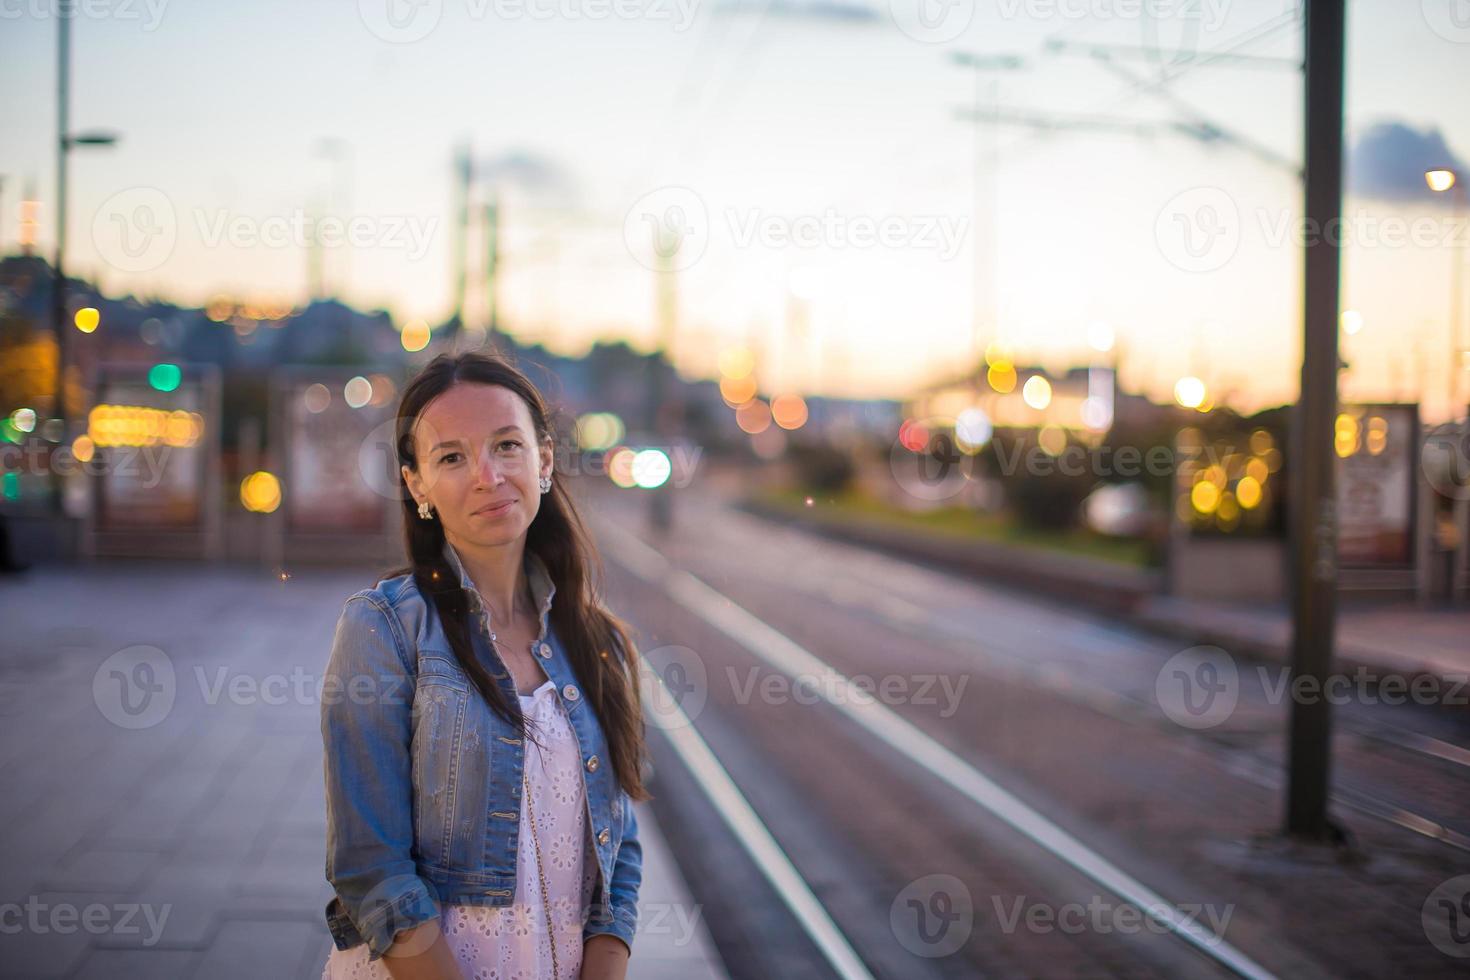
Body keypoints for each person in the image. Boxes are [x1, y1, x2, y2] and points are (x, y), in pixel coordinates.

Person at [320, 351, 647, 980]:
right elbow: (371, 865)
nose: (488, 476)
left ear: (544, 460)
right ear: (416, 484)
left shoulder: (594, 638)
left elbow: (619, 843)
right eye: (451, 457)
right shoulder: (384, 628)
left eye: (506, 445)